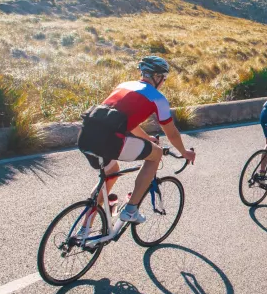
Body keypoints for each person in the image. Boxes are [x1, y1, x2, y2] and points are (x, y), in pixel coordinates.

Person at [77, 56, 197, 227]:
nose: (163, 82)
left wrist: (147, 139)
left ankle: (84, 229)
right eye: (163, 78)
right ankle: (131, 209)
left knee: (111, 173)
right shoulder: (158, 98)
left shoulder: (124, 85)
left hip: (86, 136)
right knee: (155, 156)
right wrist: (184, 152)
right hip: (109, 140)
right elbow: (172, 133)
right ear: (157, 77)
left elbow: (123, 120)